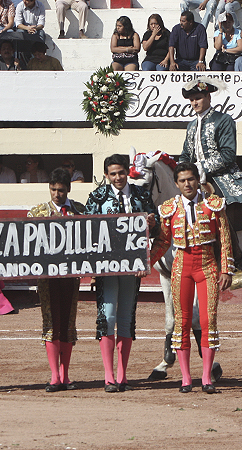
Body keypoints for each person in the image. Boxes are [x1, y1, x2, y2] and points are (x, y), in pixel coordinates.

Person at [149, 162, 232, 394]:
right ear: (176, 184)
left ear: (198, 180)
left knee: (208, 322)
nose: (187, 184)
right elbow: (164, 241)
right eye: (183, 181)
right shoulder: (169, 208)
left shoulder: (213, 205)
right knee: (182, 322)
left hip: (207, 266)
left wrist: (226, 269)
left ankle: (206, 377)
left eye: (191, 179)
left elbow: (225, 239)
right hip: (181, 267)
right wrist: (145, 262)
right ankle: (186, 378)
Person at [84, 154, 157, 393]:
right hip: (106, 267)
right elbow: (87, 229)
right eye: (113, 174)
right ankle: (108, 375)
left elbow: (155, 224)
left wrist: (151, 222)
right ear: (106, 175)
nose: (117, 177)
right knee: (108, 316)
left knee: (126, 317)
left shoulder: (141, 195)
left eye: (121, 173)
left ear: (128, 172)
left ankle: (122, 374)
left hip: (132, 267)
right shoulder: (97, 196)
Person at [179, 77, 242, 285]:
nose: (195, 103)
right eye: (192, 100)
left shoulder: (224, 120)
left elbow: (228, 154)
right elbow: (186, 154)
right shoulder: (191, 126)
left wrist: (201, 168)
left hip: (224, 177)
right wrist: (182, 169)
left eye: (198, 98)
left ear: (208, 96)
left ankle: (237, 264)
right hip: (196, 178)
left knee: (221, 207)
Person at [27, 168, 85, 392]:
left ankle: (65, 374)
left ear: (68, 189)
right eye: (53, 190)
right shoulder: (37, 213)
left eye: (61, 190)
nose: (56, 194)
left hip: (70, 276)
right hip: (47, 277)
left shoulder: (80, 211)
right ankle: (54, 375)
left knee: (67, 323)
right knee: (51, 323)